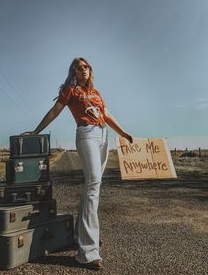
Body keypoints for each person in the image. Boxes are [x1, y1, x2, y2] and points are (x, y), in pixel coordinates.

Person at [22, 57, 133, 270]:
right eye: (78, 67)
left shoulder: (96, 92)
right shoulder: (70, 90)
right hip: (87, 135)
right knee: (93, 186)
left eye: (85, 66)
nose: (83, 69)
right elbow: (55, 110)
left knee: (93, 188)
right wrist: (36, 130)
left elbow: (106, 114)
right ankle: (88, 252)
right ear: (74, 72)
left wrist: (123, 132)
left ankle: (80, 235)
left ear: (91, 70)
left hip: (103, 136)